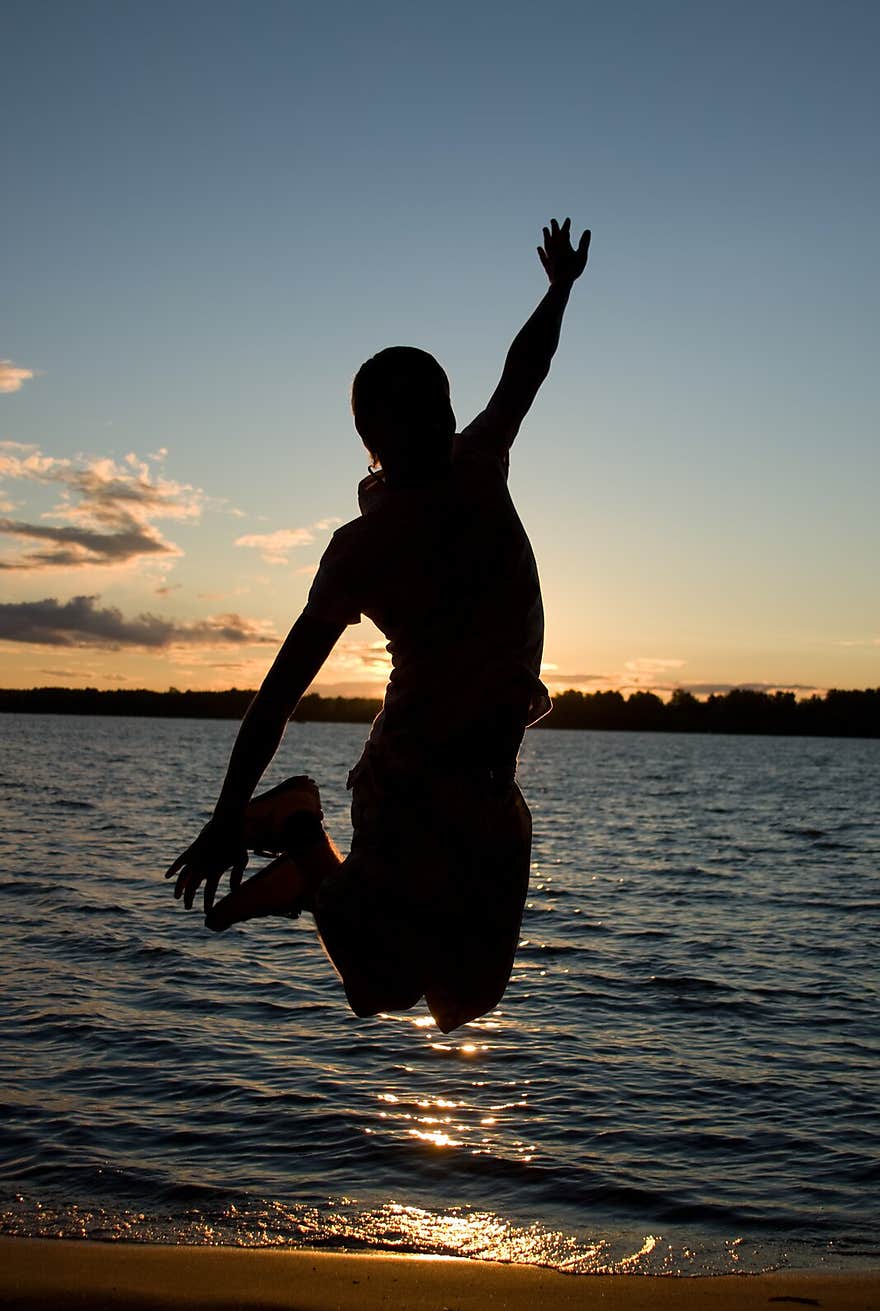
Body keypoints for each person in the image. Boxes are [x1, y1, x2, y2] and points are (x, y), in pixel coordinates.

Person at [166, 216, 591, 1033]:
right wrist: (226, 812)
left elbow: (525, 370)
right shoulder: (360, 551)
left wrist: (559, 288)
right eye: (413, 418)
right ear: (372, 439)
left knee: (463, 1001)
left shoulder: (478, 462)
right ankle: (298, 830)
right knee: (379, 989)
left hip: (490, 784)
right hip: (412, 777)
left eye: (441, 409)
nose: (438, 427)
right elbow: (278, 692)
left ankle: (305, 861)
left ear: (448, 410)